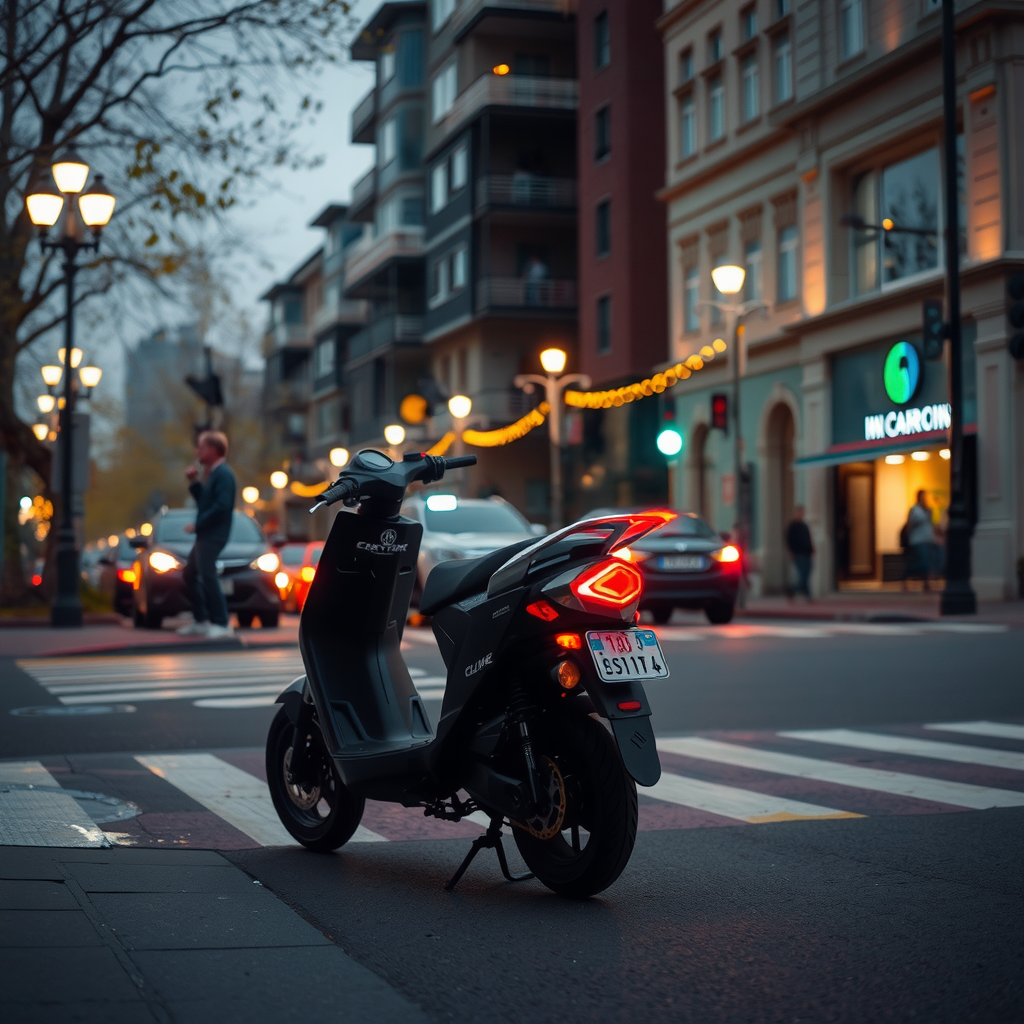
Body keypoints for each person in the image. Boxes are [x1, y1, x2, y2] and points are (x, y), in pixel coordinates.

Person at [177, 431, 237, 637]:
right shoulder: (213, 474)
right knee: (190, 574)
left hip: (214, 535)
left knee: (208, 576)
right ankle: (201, 620)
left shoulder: (224, 475)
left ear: (213, 450)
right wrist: (194, 482)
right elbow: (206, 502)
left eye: (201, 447)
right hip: (207, 534)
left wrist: (197, 524)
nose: (198, 451)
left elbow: (222, 506)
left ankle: (222, 624)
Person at [903, 489, 936, 591]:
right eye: (923, 496)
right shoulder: (915, 510)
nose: (925, 499)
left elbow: (930, 525)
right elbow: (910, 524)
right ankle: (906, 574)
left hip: (927, 540)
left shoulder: (927, 510)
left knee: (926, 561)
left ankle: (925, 583)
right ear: (919, 497)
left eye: (926, 497)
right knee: (924, 562)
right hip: (917, 541)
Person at [785, 505, 814, 600]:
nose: (801, 514)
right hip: (798, 553)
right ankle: (793, 591)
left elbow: (808, 538)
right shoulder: (792, 526)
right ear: (796, 513)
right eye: (799, 512)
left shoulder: (804, 525)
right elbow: (789, 540)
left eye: (802, 512)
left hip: (807, 553)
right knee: (802, 576)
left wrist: (812, 549)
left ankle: (806, 594)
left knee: (807, 574)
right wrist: (792, 552)